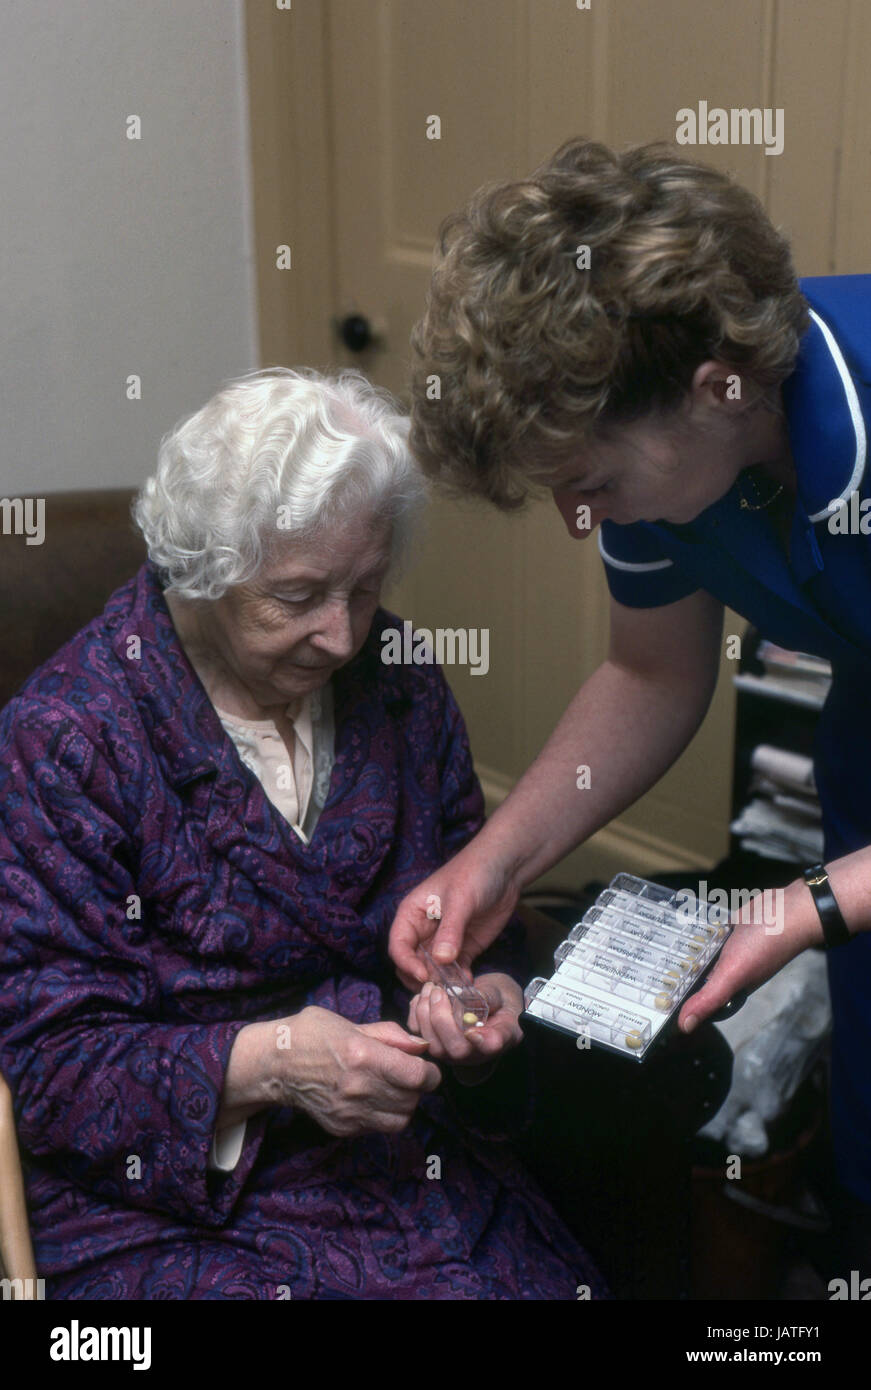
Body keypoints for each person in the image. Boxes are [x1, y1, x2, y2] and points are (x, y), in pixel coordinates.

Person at [0, 367, 607, 1300]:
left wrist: (475, 998)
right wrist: (279, 1063)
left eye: (363, 588)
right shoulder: (67, 740)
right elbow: (54, 1070)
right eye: (296, 597)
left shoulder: (400, 680)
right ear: (200, 575)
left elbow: (479, 919)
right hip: (178, 1205)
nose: (341, 637)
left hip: (405, 1163)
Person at [388, 137, 871, 1251]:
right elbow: (652, 672)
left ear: (718, 387)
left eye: (592, 483)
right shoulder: (674, 482)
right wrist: (497, 858)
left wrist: (817, 903)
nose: (579, 518)